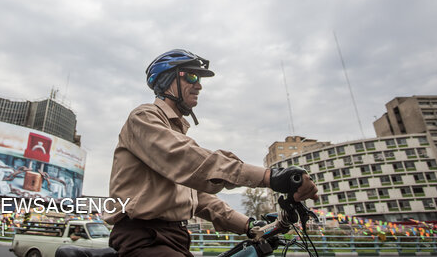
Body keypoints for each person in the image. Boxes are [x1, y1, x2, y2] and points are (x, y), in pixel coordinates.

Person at [105, 49, 318, 257]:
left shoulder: (176, 132)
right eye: (191, 76)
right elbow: (187, 159)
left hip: (174, 238)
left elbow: (199, 198)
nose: (198, 85)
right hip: (143, 237)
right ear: (167, 80)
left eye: (199, 79)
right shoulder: (144, 117)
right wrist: (270, 176)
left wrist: (248, 225)